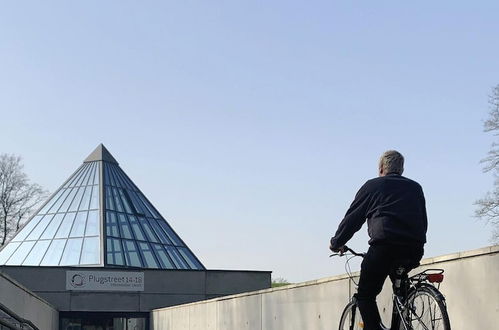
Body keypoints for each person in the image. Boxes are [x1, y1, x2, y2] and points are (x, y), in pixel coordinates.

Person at [329, 150, 427, 330]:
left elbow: (353, 219)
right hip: (414, 248)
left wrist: (336, 243)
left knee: (365, 295)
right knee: (400, 288)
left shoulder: (372, 186)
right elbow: (423, 222)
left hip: (384, 247)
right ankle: (404, 307)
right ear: (401, 169)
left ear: (381, 168)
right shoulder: (415, 188)